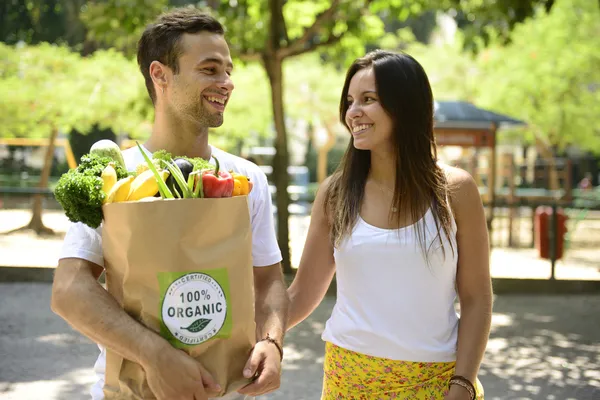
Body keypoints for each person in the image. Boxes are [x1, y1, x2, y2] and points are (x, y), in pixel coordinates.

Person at [51, 8, 288, 400]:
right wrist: (153, 353)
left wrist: (272, 341)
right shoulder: (115, 176)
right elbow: (69, 289)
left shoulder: (248, 179)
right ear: (160, 75)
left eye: (228, 71)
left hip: (226, 389)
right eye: (210, 69)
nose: (226, 82)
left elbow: (269, 281)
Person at [287, 50, 492, 399]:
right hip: (348, 380)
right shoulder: (335, 193)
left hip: (436, 382)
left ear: (405, 106)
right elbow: (301, 294)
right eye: (350, 101)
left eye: (369, 99)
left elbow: (476, 299)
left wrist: (463, 384)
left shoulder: (456, 191)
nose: (354, 112)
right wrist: (253, 338)